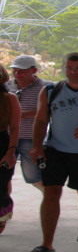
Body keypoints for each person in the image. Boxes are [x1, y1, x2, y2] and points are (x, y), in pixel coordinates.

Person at [27, 52, 78, 252]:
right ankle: (47, 243)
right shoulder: (51, 90)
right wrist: (36, 146)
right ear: (64, 68)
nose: (74, 72)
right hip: (55, 150)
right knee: (51, 193)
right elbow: (40, 120)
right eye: (70, 68)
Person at [6, 55, 51, 192]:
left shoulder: (47, 87)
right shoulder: (6, 86)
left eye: (23, 71)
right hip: (7, 136)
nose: (18, 74)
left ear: (34, 70)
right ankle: (5, 208)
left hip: (31, 137)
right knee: (4, 174)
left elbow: (50, 111)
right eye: (15, 70)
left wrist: (21, 114)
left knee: (34, 176)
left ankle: (50, 199)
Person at [0, 64, 21, 234]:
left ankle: (2, 218)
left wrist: (11, 151)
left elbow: (14, 128)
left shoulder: (9, 98)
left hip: (2, 144)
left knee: (1, 185)